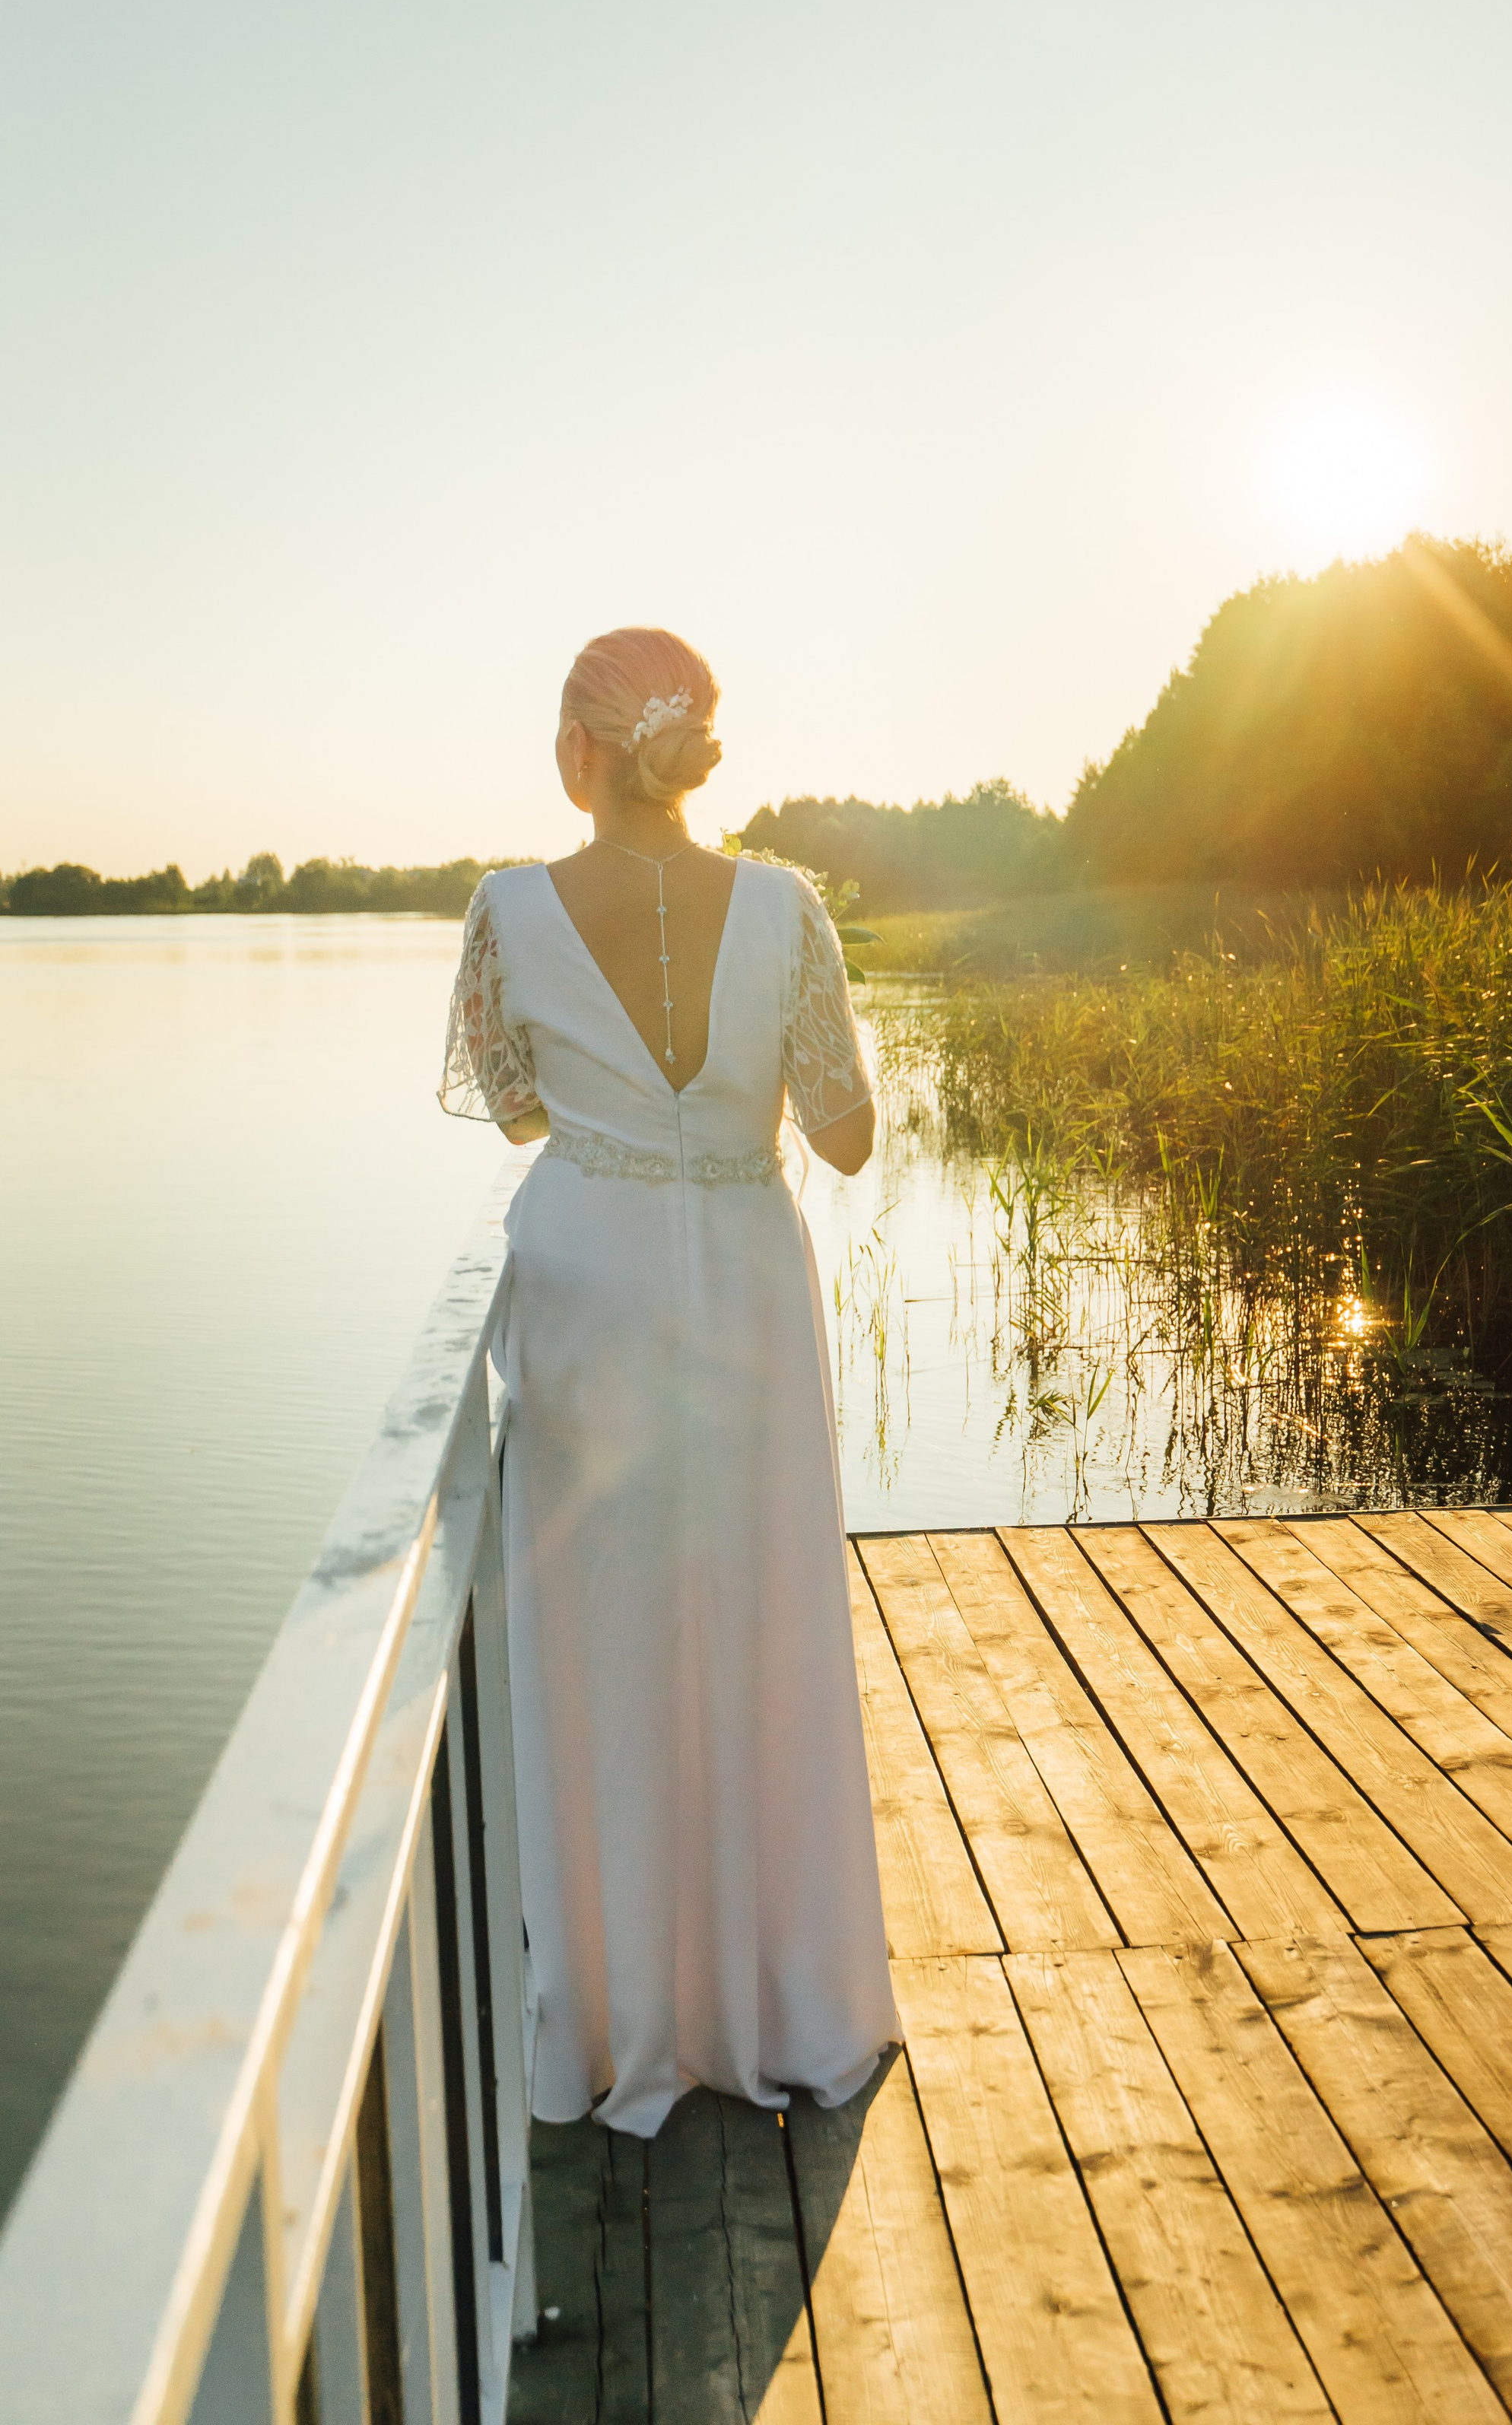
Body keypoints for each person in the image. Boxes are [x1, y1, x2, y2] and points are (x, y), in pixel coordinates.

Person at [439, 624, 898, 2137]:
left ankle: (618, 2009)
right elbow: (842, 1136)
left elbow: (512, 1110)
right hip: (747, 1295)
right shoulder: (783, 910)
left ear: (580, 748)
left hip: (588, 1290)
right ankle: (777, 1995)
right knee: (756, 1612)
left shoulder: (510, 909)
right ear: (697, 742)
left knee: (599, 1633)